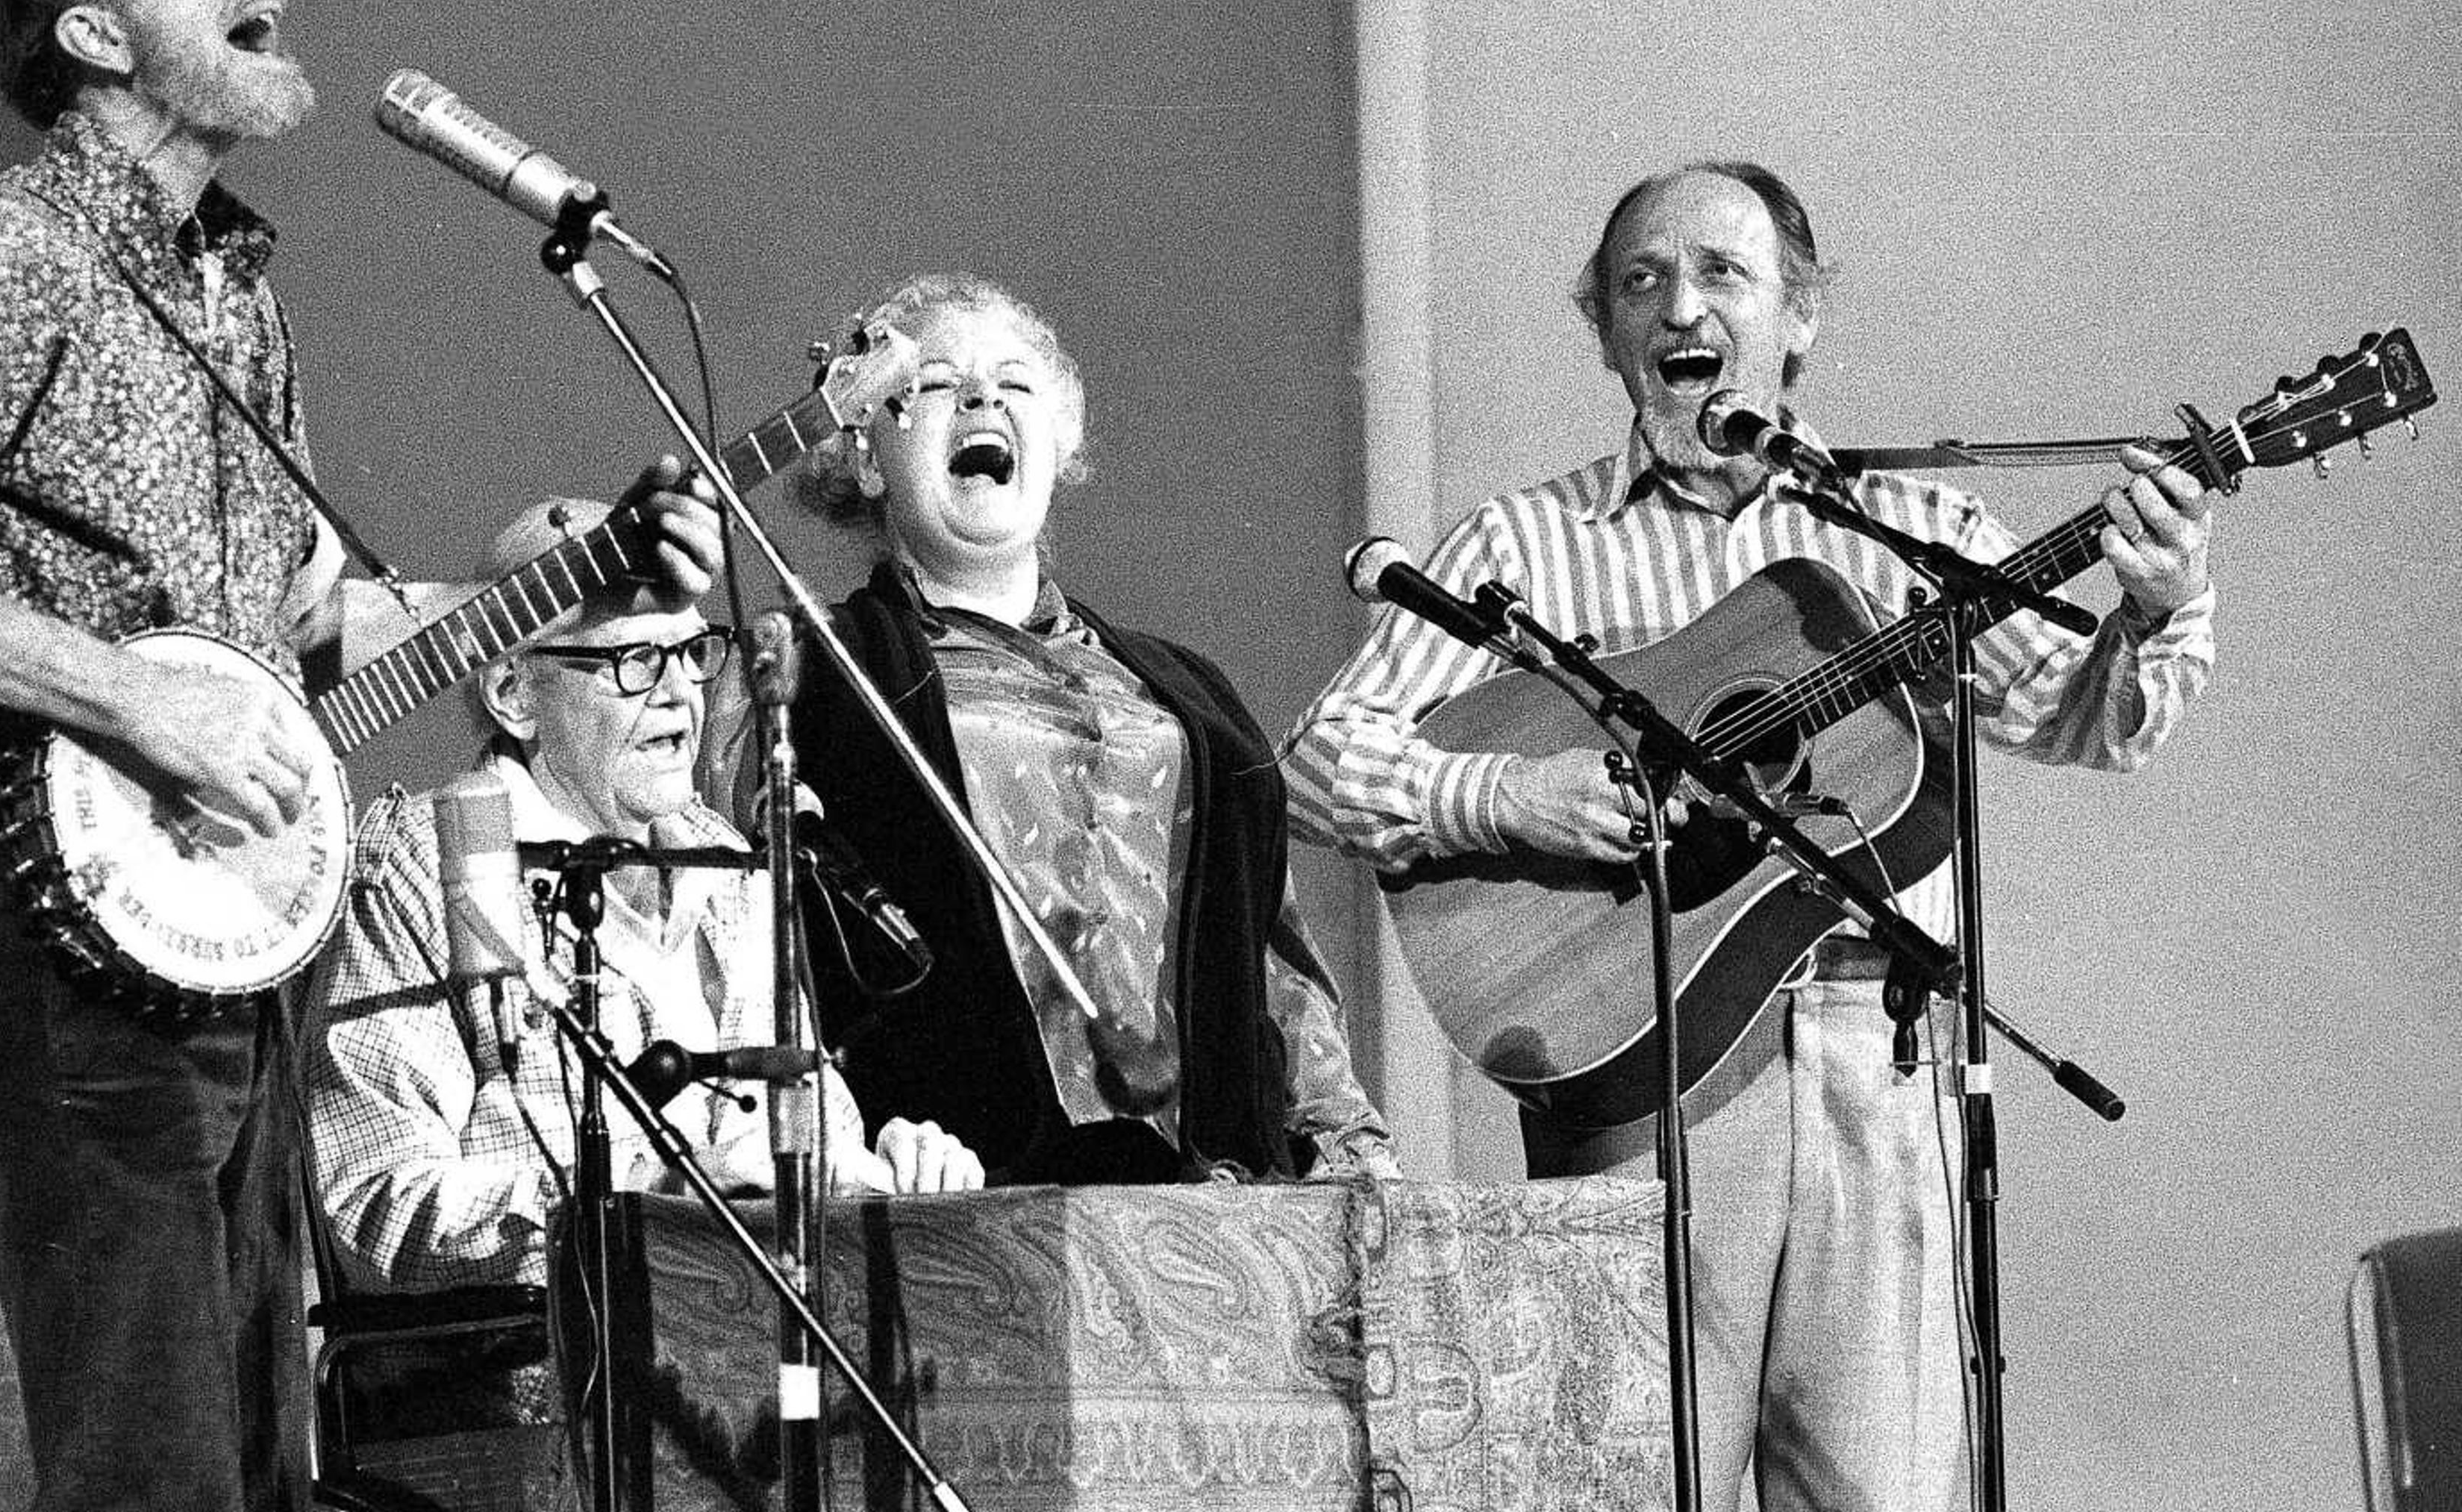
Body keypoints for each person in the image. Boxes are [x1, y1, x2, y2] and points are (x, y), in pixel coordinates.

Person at [0, 0, 719, 1512]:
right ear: (96, 38)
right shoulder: (9, 253)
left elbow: (321, 638)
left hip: (242, 948)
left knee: (268, 1469)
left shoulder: (236, 292)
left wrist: (582, 586)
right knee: (155, 1478)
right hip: (75, 956)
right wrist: (131, 700)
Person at [1281, 160, 2216, 1511]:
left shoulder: (1911, 530)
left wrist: (2161, 605)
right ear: (1603, 327)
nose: (1681, 304)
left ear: (1802, 315)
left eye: (1723, 272)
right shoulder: (1523, 544)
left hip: (1881, 1065)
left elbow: (2093, 722)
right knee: (1633, 1490)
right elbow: (1317, 760)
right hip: (1638, 1069)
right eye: (1643, 280)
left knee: (1881, 1496)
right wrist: (1510, 797)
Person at [304, 498, 982, 1420]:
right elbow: (376, 1205)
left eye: (694, 652)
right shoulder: (423, 865)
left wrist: (889, 1184)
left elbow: (802, 1144)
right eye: (632, 659)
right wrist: (637, 1207)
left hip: (749, 1384)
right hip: (540, 1398)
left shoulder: (737, 867)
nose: (680, 695)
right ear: (512, 692)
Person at [780, 274, 1397, 1186]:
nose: (983, 397)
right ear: (868, 458)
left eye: (1015, 383)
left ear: (1060, 443)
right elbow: (743, 937)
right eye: (938, 383)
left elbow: (1274, 961)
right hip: (960, 1200)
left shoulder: (1195, 698)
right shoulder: (811, 667)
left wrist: (1349, 1148)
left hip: (1210, 1204)